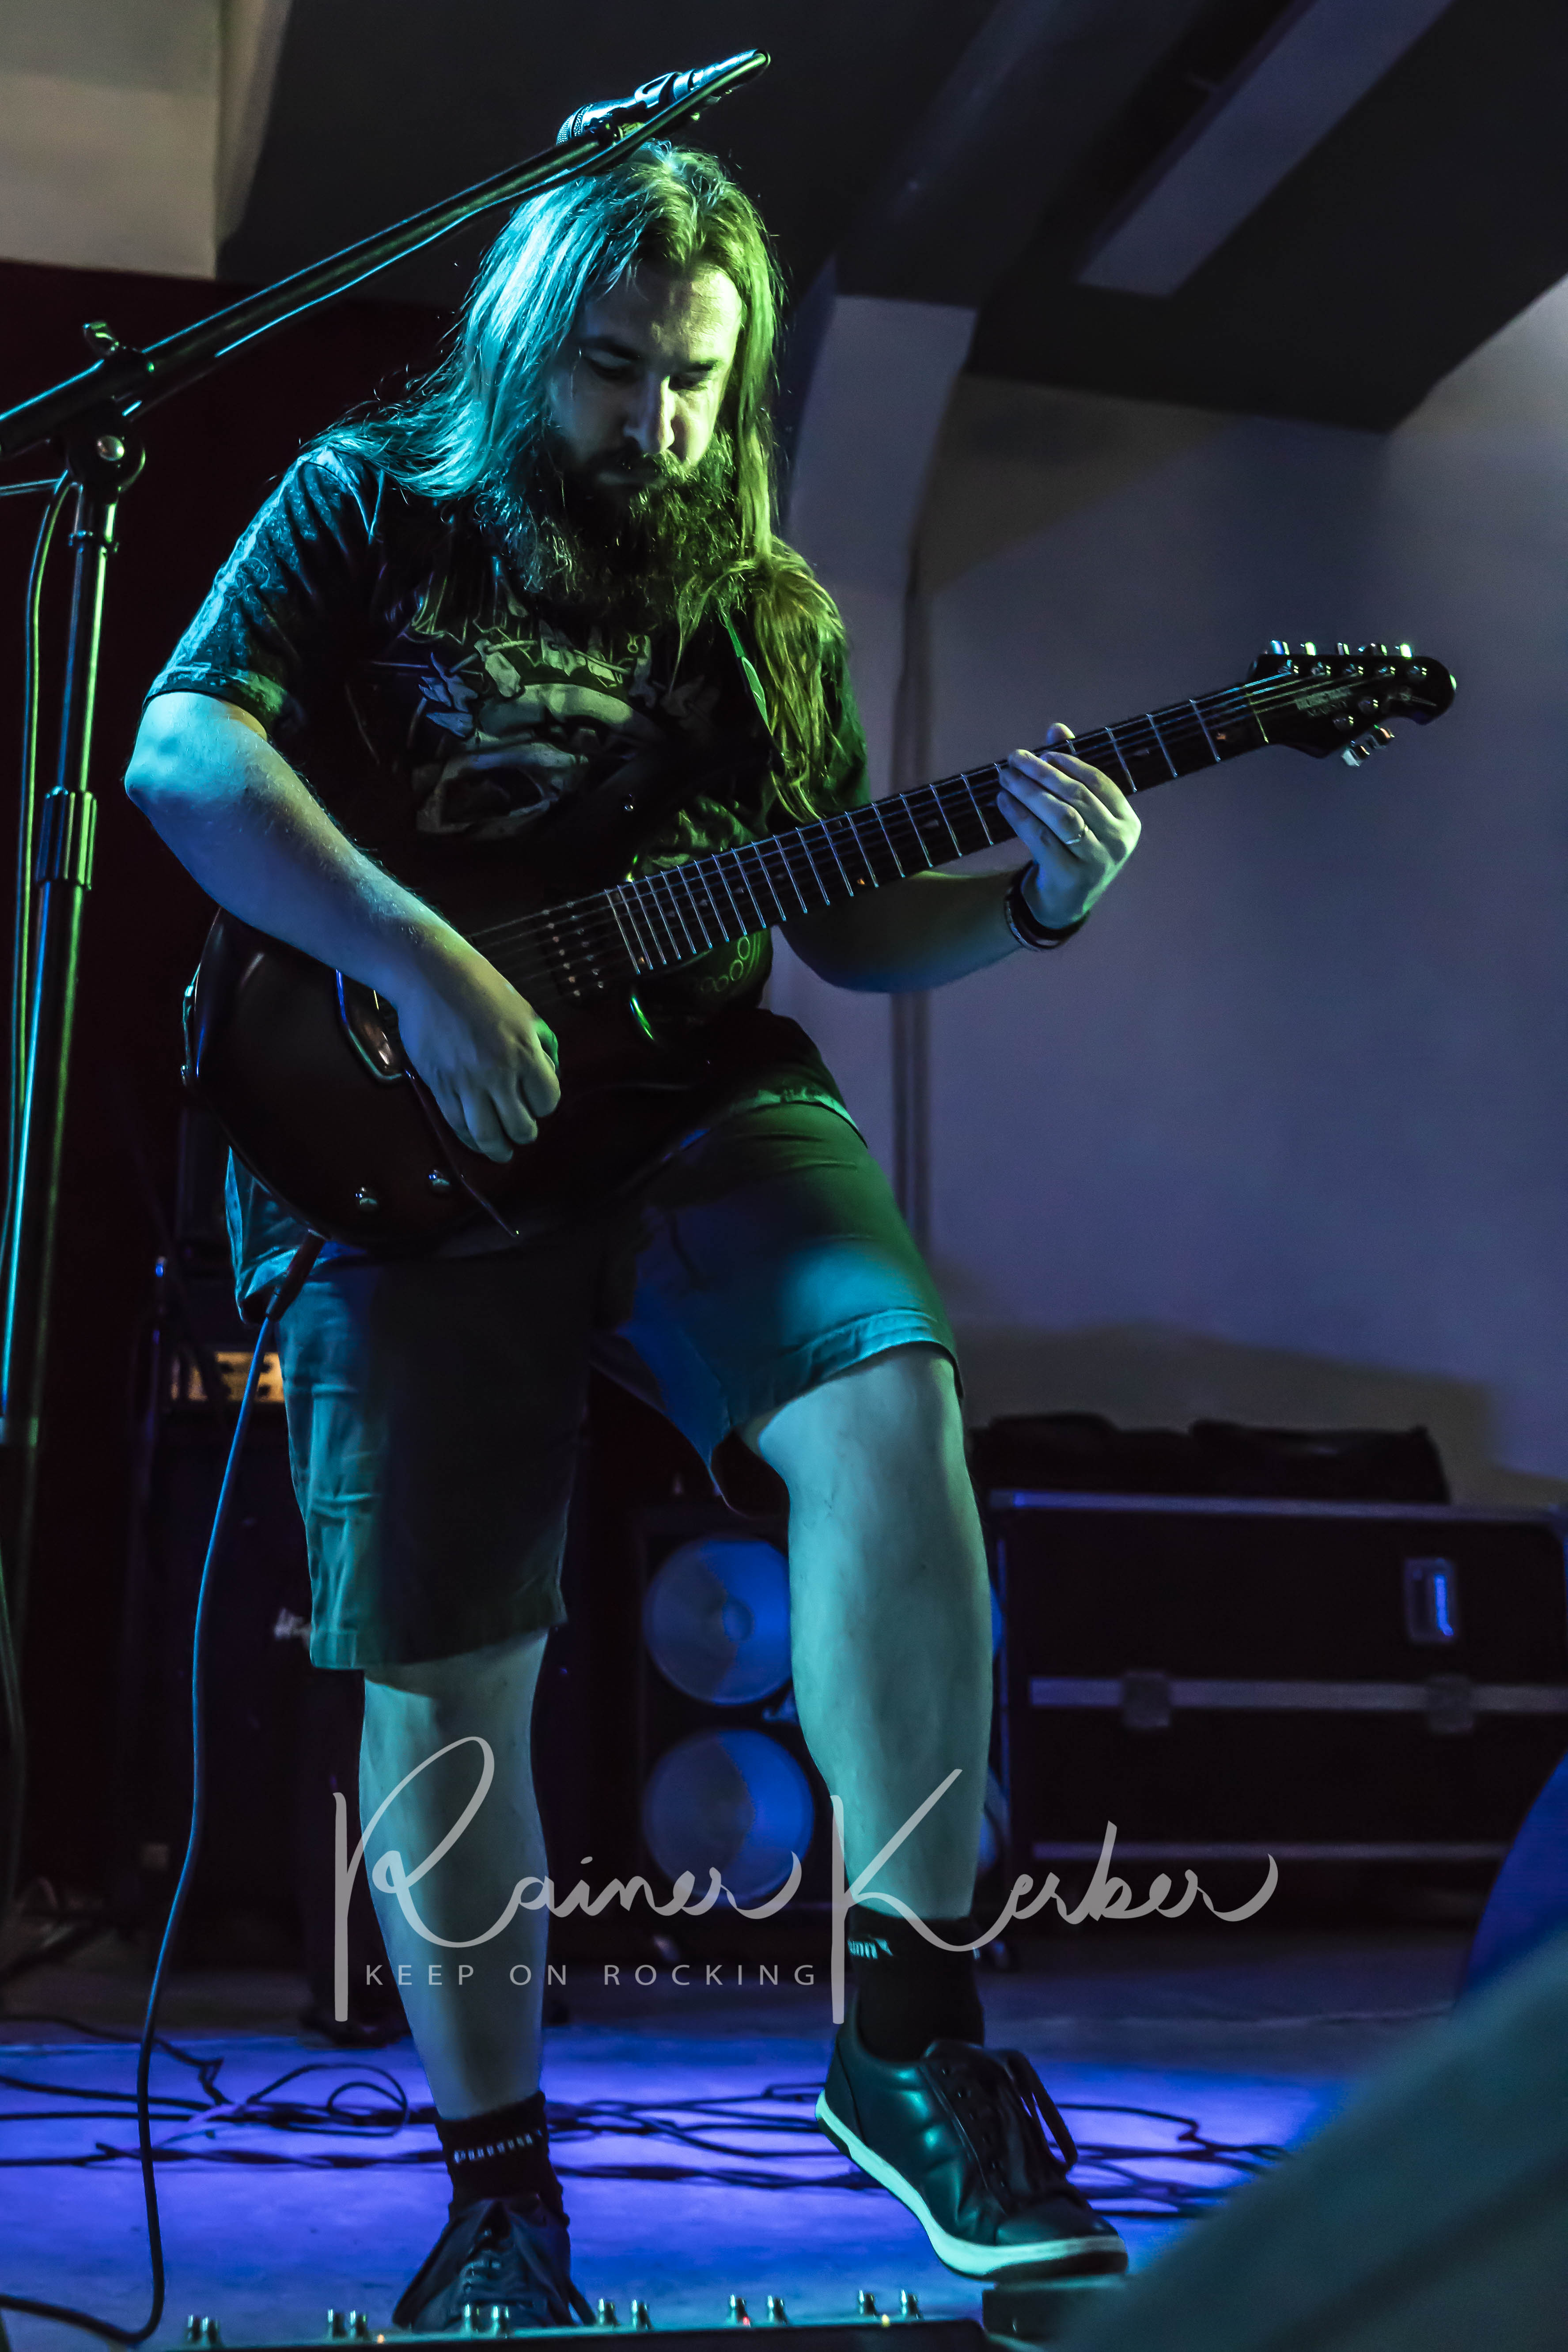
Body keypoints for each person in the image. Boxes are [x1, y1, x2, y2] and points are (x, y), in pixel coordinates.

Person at [126, 144, 1140, 2329]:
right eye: (615, 370)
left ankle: (910, 2047)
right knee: (447, 1654)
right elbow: (185, 755)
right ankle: (499, 2209)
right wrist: (420, 963)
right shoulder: (366, 503)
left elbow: (849, 920)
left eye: (699, 380)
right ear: (524, 340)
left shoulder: (765, 609)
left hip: (695, 1105)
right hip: (383, 1137)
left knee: (888, 1396)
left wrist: (1036, 904)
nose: (661, 424)